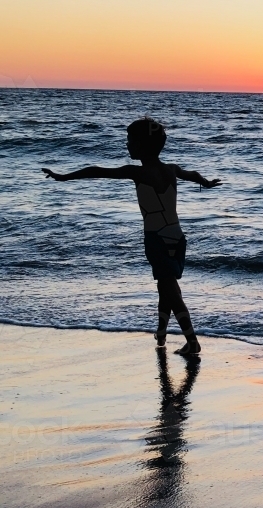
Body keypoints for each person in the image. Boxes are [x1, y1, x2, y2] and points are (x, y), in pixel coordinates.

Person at [43, 118, 221, 355]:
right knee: (166, 287)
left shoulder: (138, 172)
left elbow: (97, 171)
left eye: (130, 140)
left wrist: (63, 177)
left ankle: (192, 341)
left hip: (156, 238)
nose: (127, 145)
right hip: (177, 237)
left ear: (143, 145)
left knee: (170, 290)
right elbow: (193, 174)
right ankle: (161, 334)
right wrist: (206, 183)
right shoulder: (171, 169)